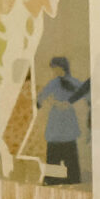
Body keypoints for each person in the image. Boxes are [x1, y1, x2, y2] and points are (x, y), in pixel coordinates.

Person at [35, 56, 90, 184]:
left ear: (61, 68)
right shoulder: (56, 82)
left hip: (64, 118)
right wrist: (50, 102)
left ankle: (67, 178)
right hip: (59, 118)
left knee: (66, 149)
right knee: (57, 149)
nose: (54, 71)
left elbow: (85, 92)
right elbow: (41, 97)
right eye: (53, 69)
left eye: (55, 68)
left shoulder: (69, 82)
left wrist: (67, 103)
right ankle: (58, 179)